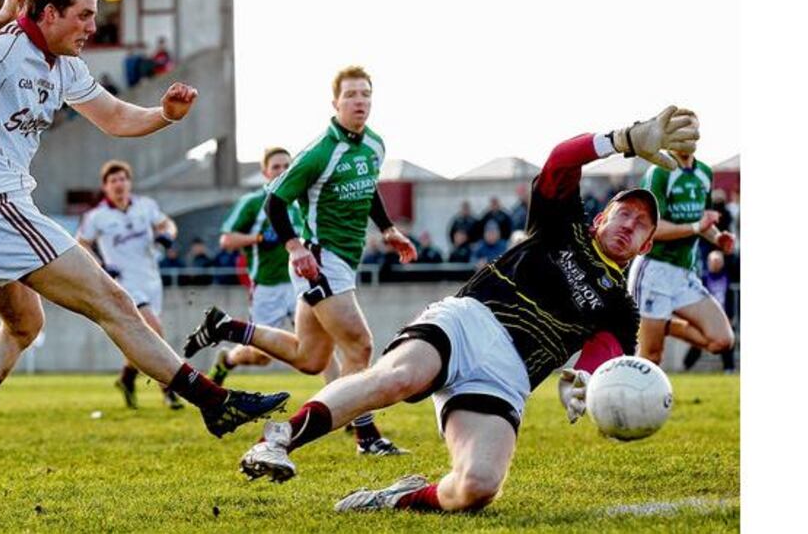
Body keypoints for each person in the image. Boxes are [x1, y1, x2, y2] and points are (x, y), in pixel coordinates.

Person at [0, 0, 289, 497]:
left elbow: (115, 118)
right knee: (114, 302)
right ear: (47, 12)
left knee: (24, 326)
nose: (93, 26)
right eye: (84, 15)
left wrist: (165, 114)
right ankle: (215, 402)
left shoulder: (65, 66)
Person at [235, 105, 698, 513]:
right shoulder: (563, 224)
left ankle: (395, 497)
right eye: (624, 213)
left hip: (508, 379)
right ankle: (277, 441)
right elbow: (561, 159)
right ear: (602, 217)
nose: (630, 224)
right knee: (396, 377)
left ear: (647, 245)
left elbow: (606, 357)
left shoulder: (621, 307)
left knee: (477, 487)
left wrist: (586, 382)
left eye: (641, 225)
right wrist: (623, 140)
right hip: (469, 322)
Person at [184, 66, 417, 456]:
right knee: (359, 347)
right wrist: (296, 247)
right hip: (322, 260)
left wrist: (388, 229)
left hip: (340, 260)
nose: (360, 101)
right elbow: (276, 199)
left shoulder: (373, 145)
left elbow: (369, 186)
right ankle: (367, 437)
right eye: (351, 95)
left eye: (365, 94)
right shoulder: (319, 152)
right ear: (335, 103)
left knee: (311, 359)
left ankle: (227, 326)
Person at [76, 160, 184, 410]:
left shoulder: (145, 206)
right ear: (105, 187)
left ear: (129, 183)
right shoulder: (96, 216)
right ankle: (168, 390)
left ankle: (127, 377)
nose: (119, 184)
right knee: (154, 331)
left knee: (140, 340)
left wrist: (167, 234)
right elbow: (81, 245)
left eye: (123, 179)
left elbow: (167, 224)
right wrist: (101, 264)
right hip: (123, 284)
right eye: (113, 181)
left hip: (151, 279)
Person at [627, 143, 736, 367]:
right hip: (654, 271)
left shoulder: (704, 172)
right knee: (651, 358)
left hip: (684, 274)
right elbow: (652, 229)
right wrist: (697, 227)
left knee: (722, 341)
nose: (687, 139)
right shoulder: (659, 172)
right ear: (670, 140)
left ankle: (664, 323)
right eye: (680, 133)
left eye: (692, 132)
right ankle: (630, 399)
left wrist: (717, 238)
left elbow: (703, 220)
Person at [207, 147, 305, 385]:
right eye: (276, 167)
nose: (282, 171)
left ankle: (345, 410)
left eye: (286, 166)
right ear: (264, 172)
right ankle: (228, 360)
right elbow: (226, 240)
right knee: (262, 357)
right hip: (267, 288)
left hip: (300, 285)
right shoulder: (253, 203)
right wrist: (259, 239)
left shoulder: (300, 202)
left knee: (318, 344)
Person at [682, 250, 736, 373]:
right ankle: (686, 366)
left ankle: (729, 368)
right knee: (698, 341)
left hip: (724, 314)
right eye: (713, 261)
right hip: (706, 316)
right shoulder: (703, 279)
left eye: (718, 261)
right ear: (708, 263)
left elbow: (731, 298)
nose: (716, 264)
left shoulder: (728, 277)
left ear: (722, 263)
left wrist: (731, 315)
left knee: (727, 340)